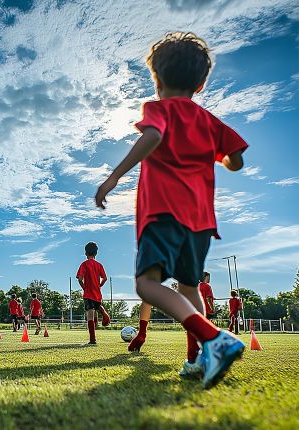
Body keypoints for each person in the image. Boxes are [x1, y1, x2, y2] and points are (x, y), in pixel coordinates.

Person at [95, 32, 247, 388]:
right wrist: (219, 158)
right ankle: (195, 360)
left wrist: (114, 177)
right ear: (201, 84)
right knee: (190, 288)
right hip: (201, 220)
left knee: (146, 285)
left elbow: (153, 136)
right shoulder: (210, 121)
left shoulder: (158, 109)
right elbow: (236, 160)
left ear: (158, 82)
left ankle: (214, 338)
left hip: (164, 213)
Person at [76, 242, 109, 345]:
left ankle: (92, 339)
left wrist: (84, 288)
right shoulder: (99, 265)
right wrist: (99, 285)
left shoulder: (84, 264)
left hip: (88, 294)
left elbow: (80, 279)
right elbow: (105, 278)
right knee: (96, 309)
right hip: (97, 293)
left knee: (90, 316)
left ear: (85, 253)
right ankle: (104, 313)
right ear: (96, 253)